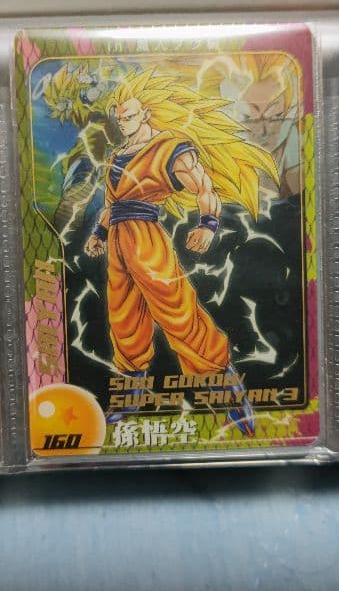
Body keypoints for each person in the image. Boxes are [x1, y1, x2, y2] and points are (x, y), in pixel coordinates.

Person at [83, 69, 278, 435]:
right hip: (118, 241)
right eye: (119, 117)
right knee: (123, 318)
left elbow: (204, 187)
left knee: (177, 311)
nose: (123, 122)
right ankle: (130, 396)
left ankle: (228, 390)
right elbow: (112, 204)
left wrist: (208, 224)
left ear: (146, 114)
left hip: (146, 239)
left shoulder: (169, 147)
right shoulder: (118, 156)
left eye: (130, 115)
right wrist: (98, 232)